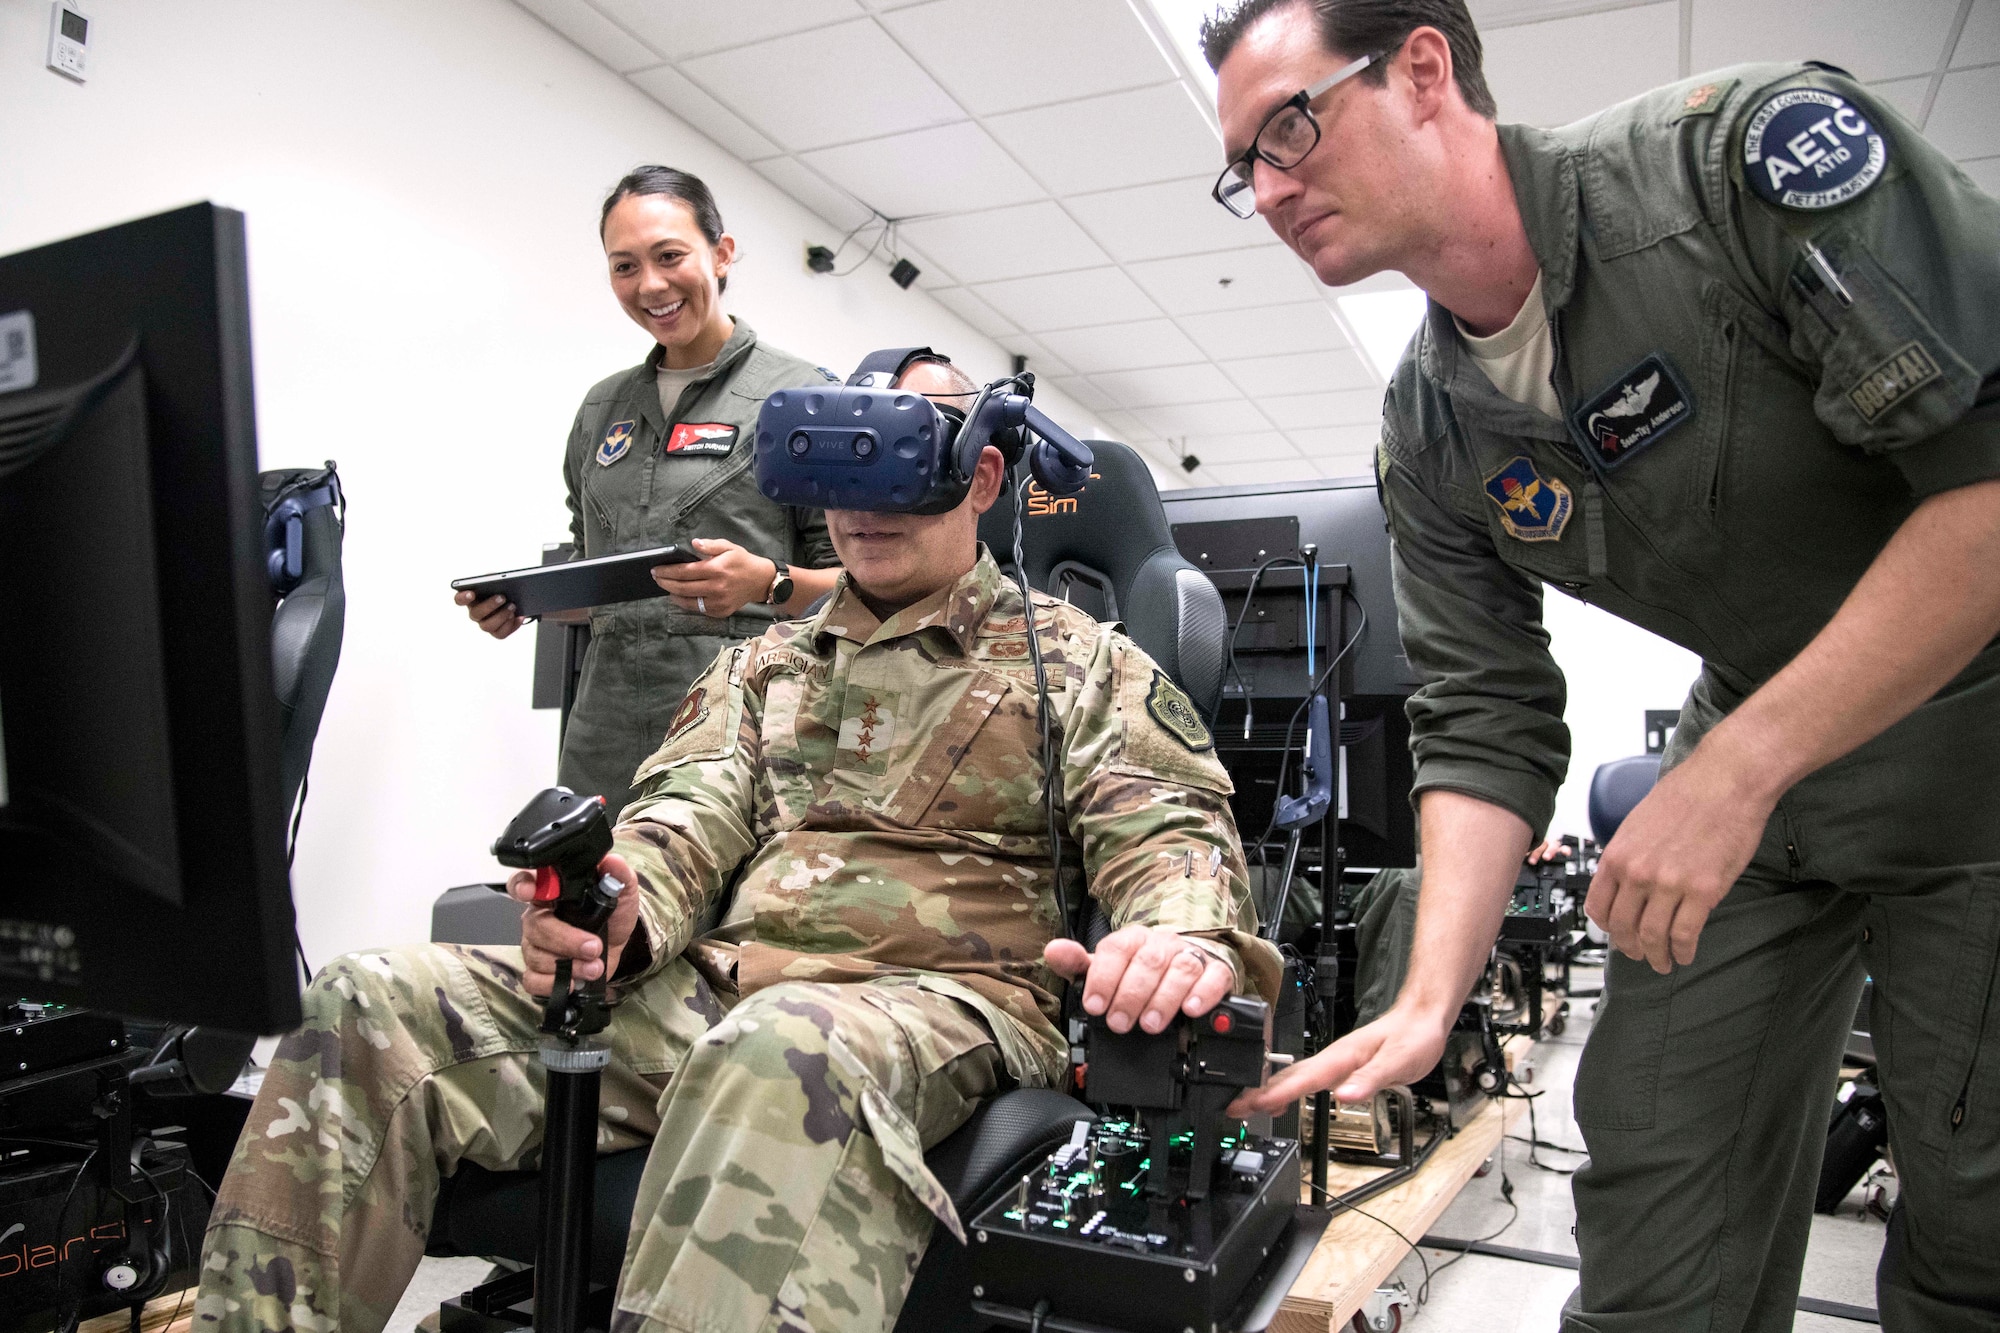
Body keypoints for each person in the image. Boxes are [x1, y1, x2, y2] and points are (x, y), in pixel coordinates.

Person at [1201, 2, 2000, 1329]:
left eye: (1290, 126)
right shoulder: (1429, 429)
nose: (1273, 189)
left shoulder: (1737, 168)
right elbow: (1483, 720)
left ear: (1422, 69)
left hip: (1975, 744)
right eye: (1246, 168)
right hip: (1767, 758)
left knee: (1978, 1224)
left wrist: (1736, 769)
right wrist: (1430, 996)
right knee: (1651, 1206)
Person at [198, 357, 1281, 1333]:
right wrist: (621, 901)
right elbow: (682, 813)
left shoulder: (1082, 664)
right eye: (839, 473)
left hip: (940, 1004)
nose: (863, 511)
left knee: (776, 1043)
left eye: (901, 466)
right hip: (713, 992)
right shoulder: (764, 668)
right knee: (363, 1000)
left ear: (982, 480)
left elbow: (1171, 835)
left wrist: (1177, 937)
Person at [455, 166, 844, 813]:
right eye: (625, 266)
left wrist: (766, 582)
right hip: (603, 739)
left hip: (738, 731)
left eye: (669, 256)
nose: (651, 285)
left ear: (721, 254)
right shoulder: (602, 406)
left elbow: (861, 590)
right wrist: (528, 603)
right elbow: (600, 581)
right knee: (590, 907)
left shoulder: (802, 397)